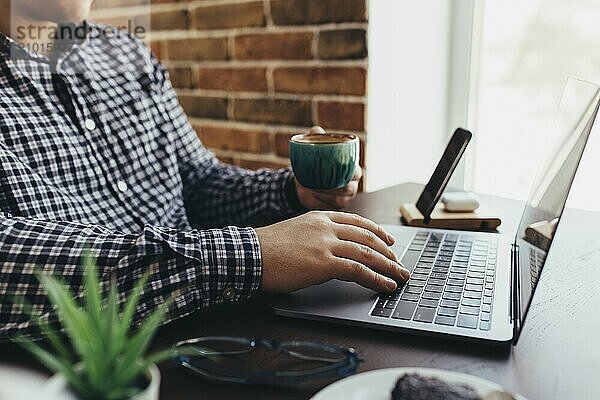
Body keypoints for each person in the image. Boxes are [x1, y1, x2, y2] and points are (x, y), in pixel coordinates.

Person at [0, 0, 409, 338]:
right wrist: (251, 255)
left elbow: (198, 181)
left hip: (212, 329)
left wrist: (291, 193)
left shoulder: (126, 53)